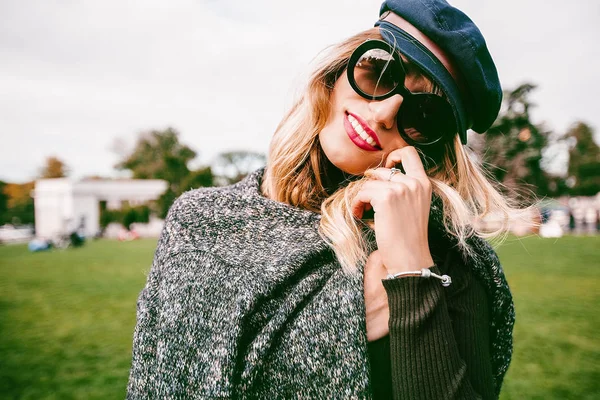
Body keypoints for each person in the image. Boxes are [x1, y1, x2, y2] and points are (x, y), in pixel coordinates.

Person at [127, 1, 521, 399]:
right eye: (382, 72)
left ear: (432, 152)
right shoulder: (199, 222)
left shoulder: (449, 263)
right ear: (338, 71)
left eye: (424, 114)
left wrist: (412, 273)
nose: (385, 113)